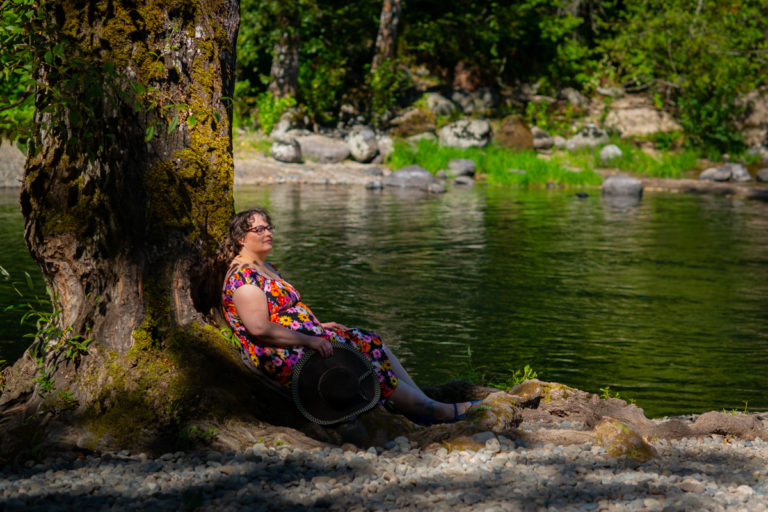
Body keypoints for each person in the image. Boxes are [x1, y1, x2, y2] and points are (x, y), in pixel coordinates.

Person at [221, 207, 477, 424]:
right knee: (361, 357)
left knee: (369, 341)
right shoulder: (244, 278)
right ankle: (432, 411)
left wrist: (317, 326)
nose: (268, 233)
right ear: (242, 239)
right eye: (259, 230)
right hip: (282, 356)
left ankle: (424, 401)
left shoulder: (265, 268)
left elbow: (281, 312)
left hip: (298, 342)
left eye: (269, 227)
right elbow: (259, 328)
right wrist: (309, 339)